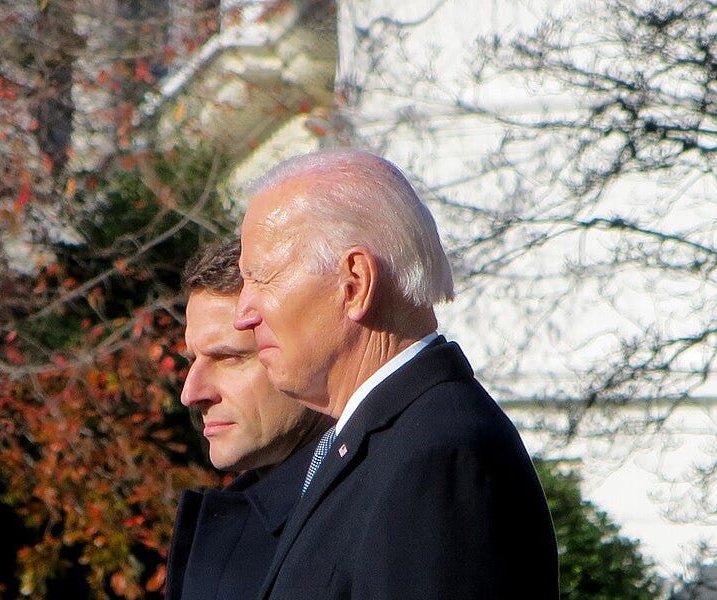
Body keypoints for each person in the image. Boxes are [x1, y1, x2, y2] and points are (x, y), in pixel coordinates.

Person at [234, 148, 559, 599]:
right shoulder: (385, 444)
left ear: (355, 284)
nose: (242, 314)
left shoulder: (437, 458)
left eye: (261, 278)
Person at [164, 238, 333, 600]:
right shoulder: (233, 523)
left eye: (228, 358)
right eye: (190, 359)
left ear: (308, 350)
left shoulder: (376, 508)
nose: (191, 393)